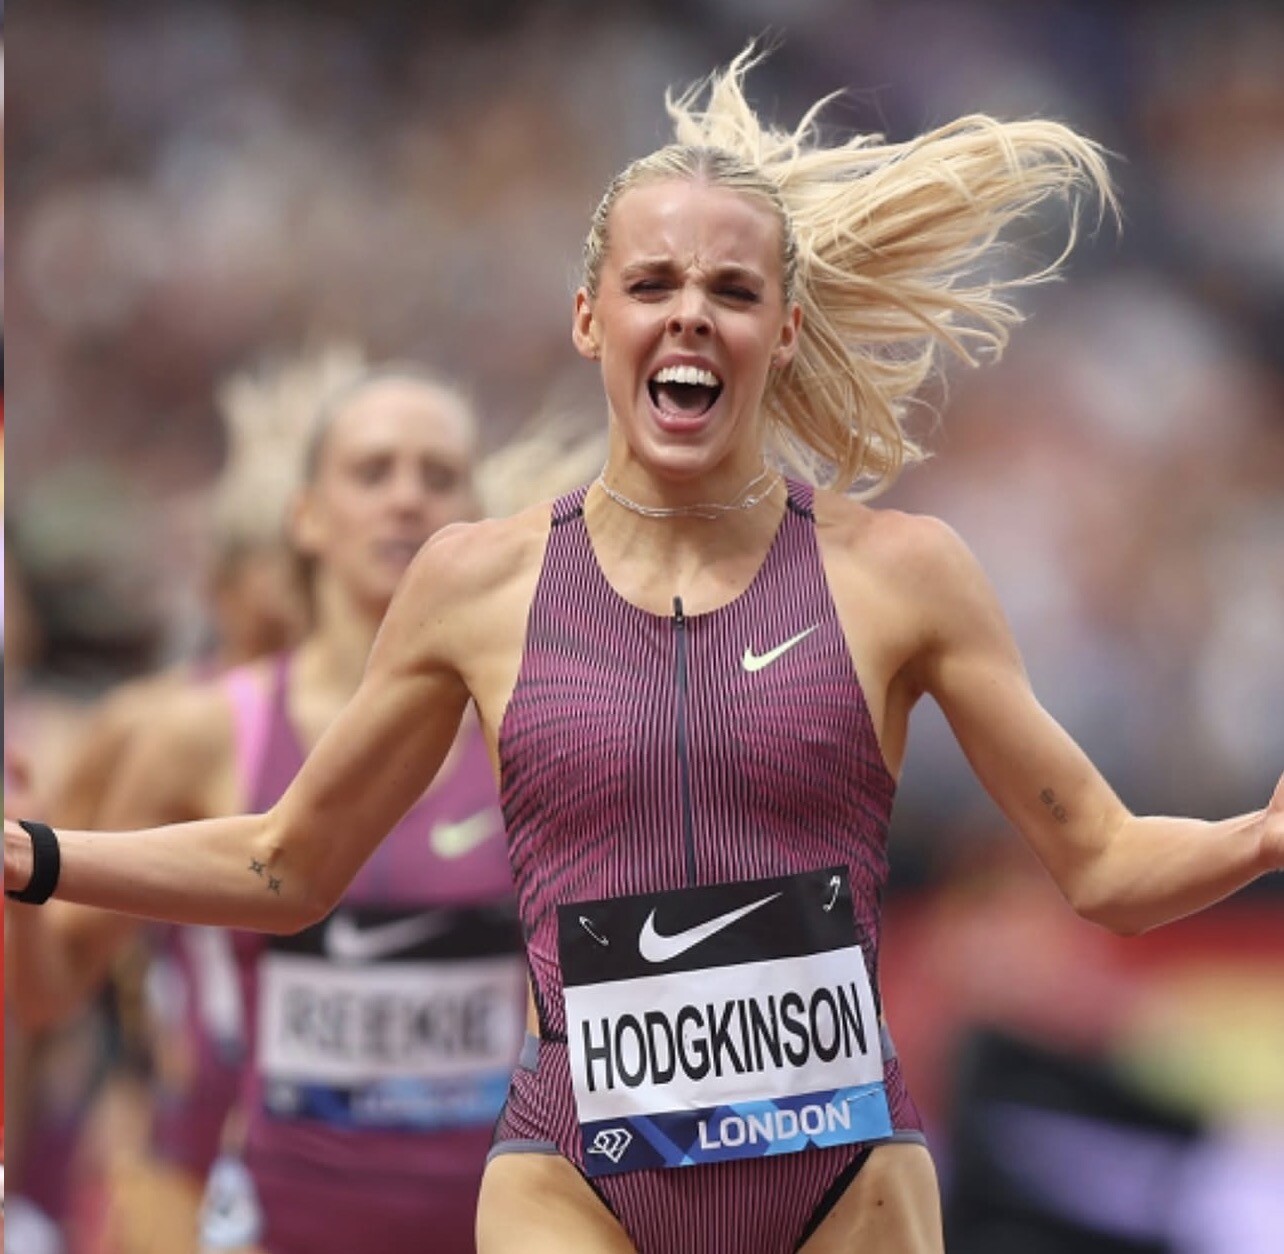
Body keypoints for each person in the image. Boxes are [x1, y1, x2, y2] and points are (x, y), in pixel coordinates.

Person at [7, 45, 1282, 1254]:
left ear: (786, 330)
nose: (690, 317)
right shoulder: (477, 586)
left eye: (733, 292)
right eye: (652, 286)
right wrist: (42, 855)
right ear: (588, 319)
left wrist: (1262, 838)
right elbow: (289, 862)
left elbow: (1105, 864)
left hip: (845, 1181)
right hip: (575, 1180)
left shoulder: (903, 575)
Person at [8, 360, 525, 1254]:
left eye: (439, 476)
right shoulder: (205, 734)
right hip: (276, 1224)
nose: (407, 499)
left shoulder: (533, 721)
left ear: (475, 514)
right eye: (373, 473)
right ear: (307, 516)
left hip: (492, 1229)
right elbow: (49, 991)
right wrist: (18, 873)